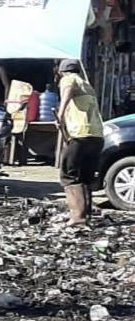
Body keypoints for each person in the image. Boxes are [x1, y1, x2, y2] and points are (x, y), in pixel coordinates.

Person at [55, 58, 104, 226]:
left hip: (80, 134)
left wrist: (60, 114)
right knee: (85, 176)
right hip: (97, 136)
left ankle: (77, 217)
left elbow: (67, 90)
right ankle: (85, 214)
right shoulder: (87, 84)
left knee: (69, 175)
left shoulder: (68, 79)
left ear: (61, 72)